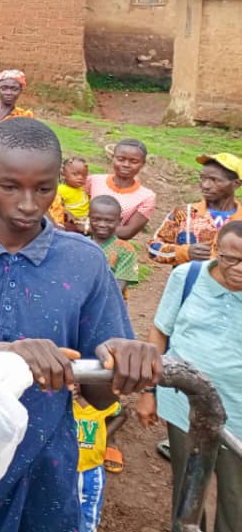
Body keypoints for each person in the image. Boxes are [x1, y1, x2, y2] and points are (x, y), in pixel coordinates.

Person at [0, 117, 160, 532]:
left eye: (43, 188)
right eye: (10, 187)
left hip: (46, 463)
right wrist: (0, 359)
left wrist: (123, 360)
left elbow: (96, 392)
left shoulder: (85, 260)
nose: (27, 204)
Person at [136, 220, 242, 532]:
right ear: (215, 250)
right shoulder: (187, 277)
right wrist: (147, 392)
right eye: (230, 258)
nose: (239, 269)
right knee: (187, 490)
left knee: (235, 498)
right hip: (185, 405)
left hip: (238, 412)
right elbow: (159, 332)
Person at [149, 152, 242, 266]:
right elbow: (152, 250)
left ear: (236, 184)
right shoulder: (184, 213)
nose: (205, 185)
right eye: (202, 178)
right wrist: (184, 252)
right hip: (188, 283)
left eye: (214, 180)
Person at [72, 385, 124, 532]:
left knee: (88, 513)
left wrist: (102, 436)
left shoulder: (101, 405)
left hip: (91, 471)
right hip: (64, 467)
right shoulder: (64, 405)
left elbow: (122, 414)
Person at [86, 139, 156, 240]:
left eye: (134, 161)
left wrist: (85, 227)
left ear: (143, 164)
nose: (126, 164)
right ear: (112, 158)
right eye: (120, 159)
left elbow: (127, 232)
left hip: (112, 248)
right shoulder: (93, 181)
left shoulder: (147, 197)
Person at [88, 196, 140, 299]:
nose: (102, 224)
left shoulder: (125, 250)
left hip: (109, 305)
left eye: (109, 221)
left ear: (119, 221)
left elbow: (118, 286)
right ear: (88, 217)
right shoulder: (80, 244)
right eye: (96, 219)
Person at [58, 157, 91, 232]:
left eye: (84, 175)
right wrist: (67, 212)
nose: (80, 178)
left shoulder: (82, 189)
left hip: (85, 221)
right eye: (75, 174)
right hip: (71, 222)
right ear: (63, 175)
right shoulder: (61, 190)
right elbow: (56, 206)